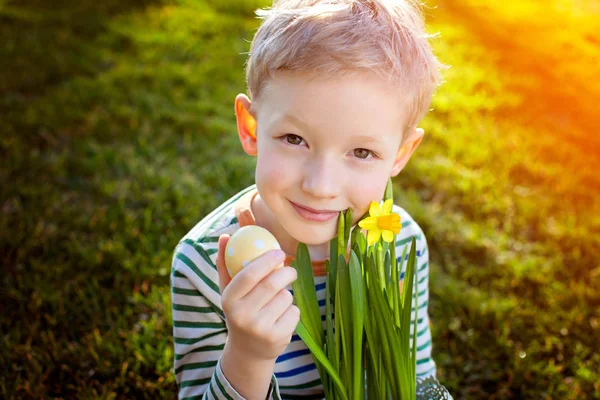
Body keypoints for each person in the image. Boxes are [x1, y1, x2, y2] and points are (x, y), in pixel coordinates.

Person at [171, 0, 450, 398]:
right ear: (251, 128)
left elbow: (417, 379)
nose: (321, 186)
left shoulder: (396, 241)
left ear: (401, 154)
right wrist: (248, 355)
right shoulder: (203, 266)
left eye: (361, 152)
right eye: (294, 139)